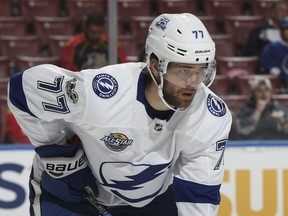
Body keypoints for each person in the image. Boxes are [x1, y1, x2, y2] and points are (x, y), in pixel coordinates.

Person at [8, 13, 232, 216]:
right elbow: (21, 91)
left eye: (201, 70)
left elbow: (198, 194)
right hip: (69, 196)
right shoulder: (101, 94)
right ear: (155, 66)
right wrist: (60, 154)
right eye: (183, 70)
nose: (193, 82)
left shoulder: (210, 117)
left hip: (150, 202)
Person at [61, 11, 128, 71]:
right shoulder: (73, 44)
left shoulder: (112, 44)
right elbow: (67, 70)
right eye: (93, 32)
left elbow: (124, 66)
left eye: (99, 32)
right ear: (86, 28)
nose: (96, 35)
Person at [235, 76, 288, 140]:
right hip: (250, 146)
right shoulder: (244, 111)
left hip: (277, 146)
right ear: (253, 94)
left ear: (271, 93)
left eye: (267, 90)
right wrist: (258, 111)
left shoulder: (280, 109)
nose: (263, 93)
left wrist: (282, 121)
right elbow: (242, 132)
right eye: (259, 90)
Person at [260, 16, 288, 91]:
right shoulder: (272, 48)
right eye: (287, 29)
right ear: (281, 31)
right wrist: (281, 75)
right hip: (278, 84)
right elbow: (267, 65)